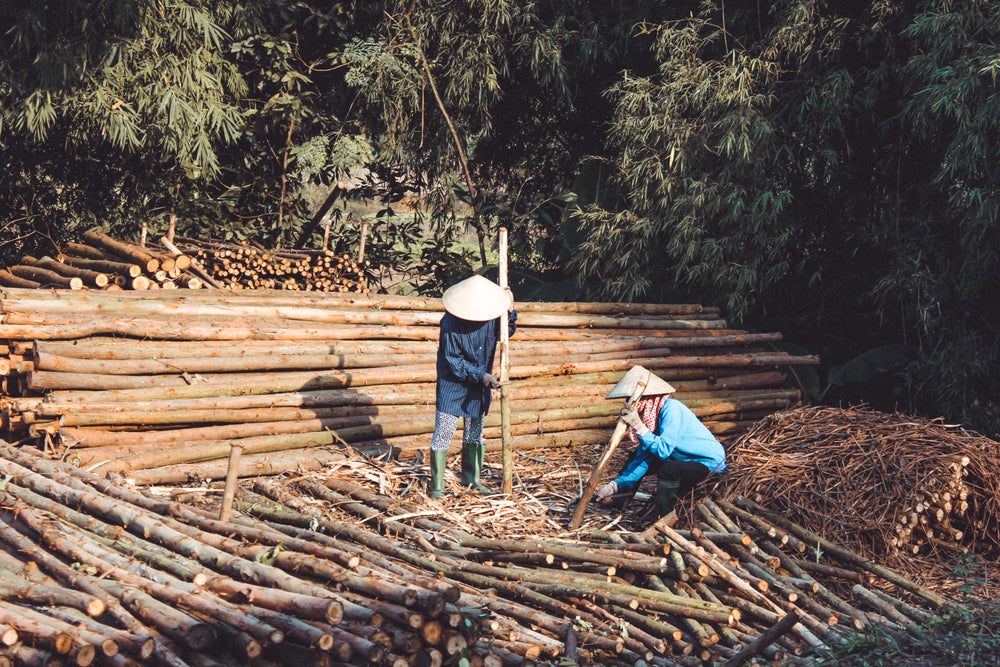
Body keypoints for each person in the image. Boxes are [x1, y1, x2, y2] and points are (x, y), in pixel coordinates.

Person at [595, 366, 726, 519]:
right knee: (636, 457)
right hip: (682, 460)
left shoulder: (671, 410)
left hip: (708, 465)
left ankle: (663, 518)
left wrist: (639, 427)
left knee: (670, 469)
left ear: (648, 398)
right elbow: (642, 461)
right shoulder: (650, 419)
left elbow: (663, 450)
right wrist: (613, 487)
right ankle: (619, 502)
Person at [428, 274, 517, 498]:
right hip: (452, 384)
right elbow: (453, 360)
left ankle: (472, 478)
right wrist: (482, 376)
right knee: (444, 432)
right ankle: (437, 485)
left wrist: (510, 309)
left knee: (475, 433)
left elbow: (506, 332)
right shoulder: (450, 322)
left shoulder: (490, 317)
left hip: (479, 386)